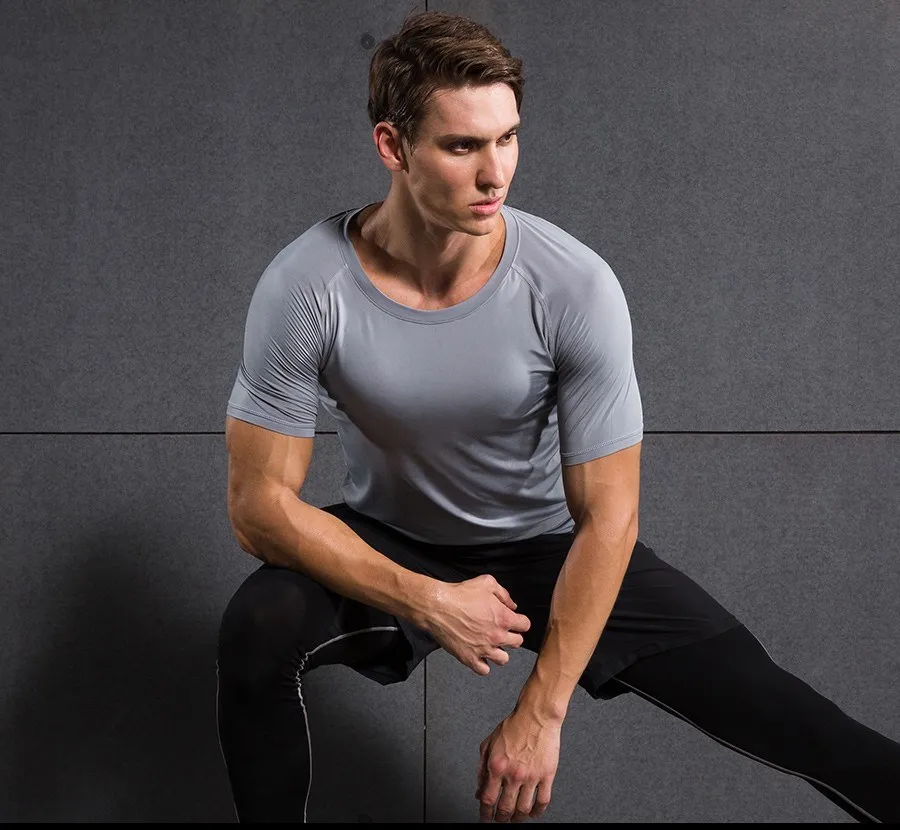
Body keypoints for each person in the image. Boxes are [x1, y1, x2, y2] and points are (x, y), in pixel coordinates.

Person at [216, 8, 900, 824]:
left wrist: (542, 712)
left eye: (507, 138)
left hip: (551, 547)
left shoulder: (572, 285)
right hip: (392, 539)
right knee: (257, 628)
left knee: (790, 716)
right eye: (462, 146)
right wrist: (427, 598)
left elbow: (610, 515)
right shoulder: (306, 287)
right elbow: (258, 509)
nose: (495, 173)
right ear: (393, 147)